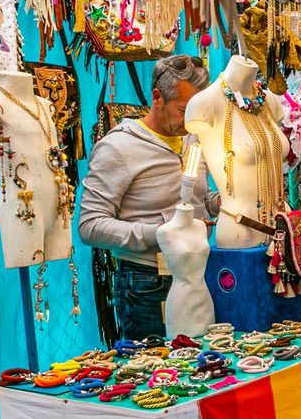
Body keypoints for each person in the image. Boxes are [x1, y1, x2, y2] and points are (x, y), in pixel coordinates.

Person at [78, 55, 220, 339]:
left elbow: (194, 202)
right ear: (157, 97)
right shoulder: (119, 147)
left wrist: (221, 203)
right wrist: (159, 233)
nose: (193, 121)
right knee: (157, 374)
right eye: (183, 110)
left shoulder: (193, 137)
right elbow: (89, 225)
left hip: (199, 271)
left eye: (198, 111)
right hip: (148, 283)